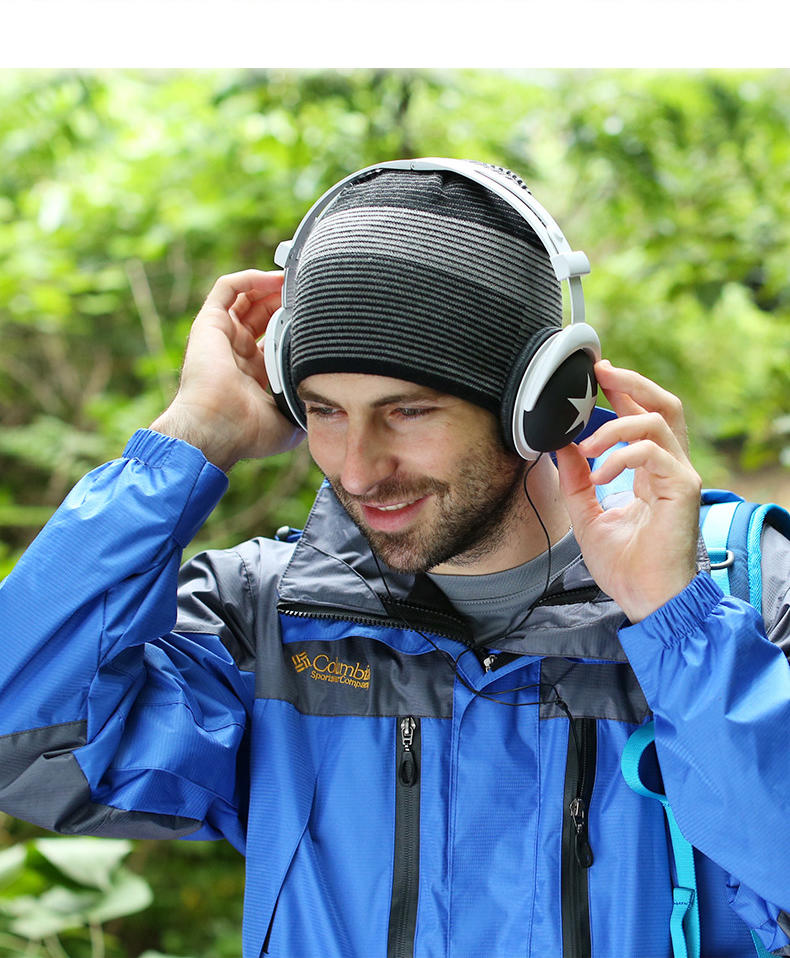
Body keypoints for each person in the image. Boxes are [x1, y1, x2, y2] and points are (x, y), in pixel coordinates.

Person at [1, 159, 789, 958]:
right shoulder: (267, 623)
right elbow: (27, 737)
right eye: (324, 412)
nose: (356, 468)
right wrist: (191, 436)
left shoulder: (746, 596)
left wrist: (676, 624)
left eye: (408, 411)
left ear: (540, 401)